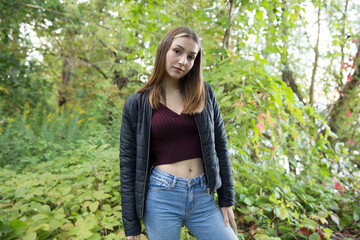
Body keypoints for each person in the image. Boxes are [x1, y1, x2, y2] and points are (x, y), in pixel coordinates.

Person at [120, 26, 237, 240]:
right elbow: (128, 166)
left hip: (203, 196)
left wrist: (226, 199)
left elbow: (221, 146)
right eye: (177, 51)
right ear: (164, 49)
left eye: (191, 57)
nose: (183, 61)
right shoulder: (137, 104)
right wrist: (131, 227)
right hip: (161, 197)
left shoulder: (204, 94)